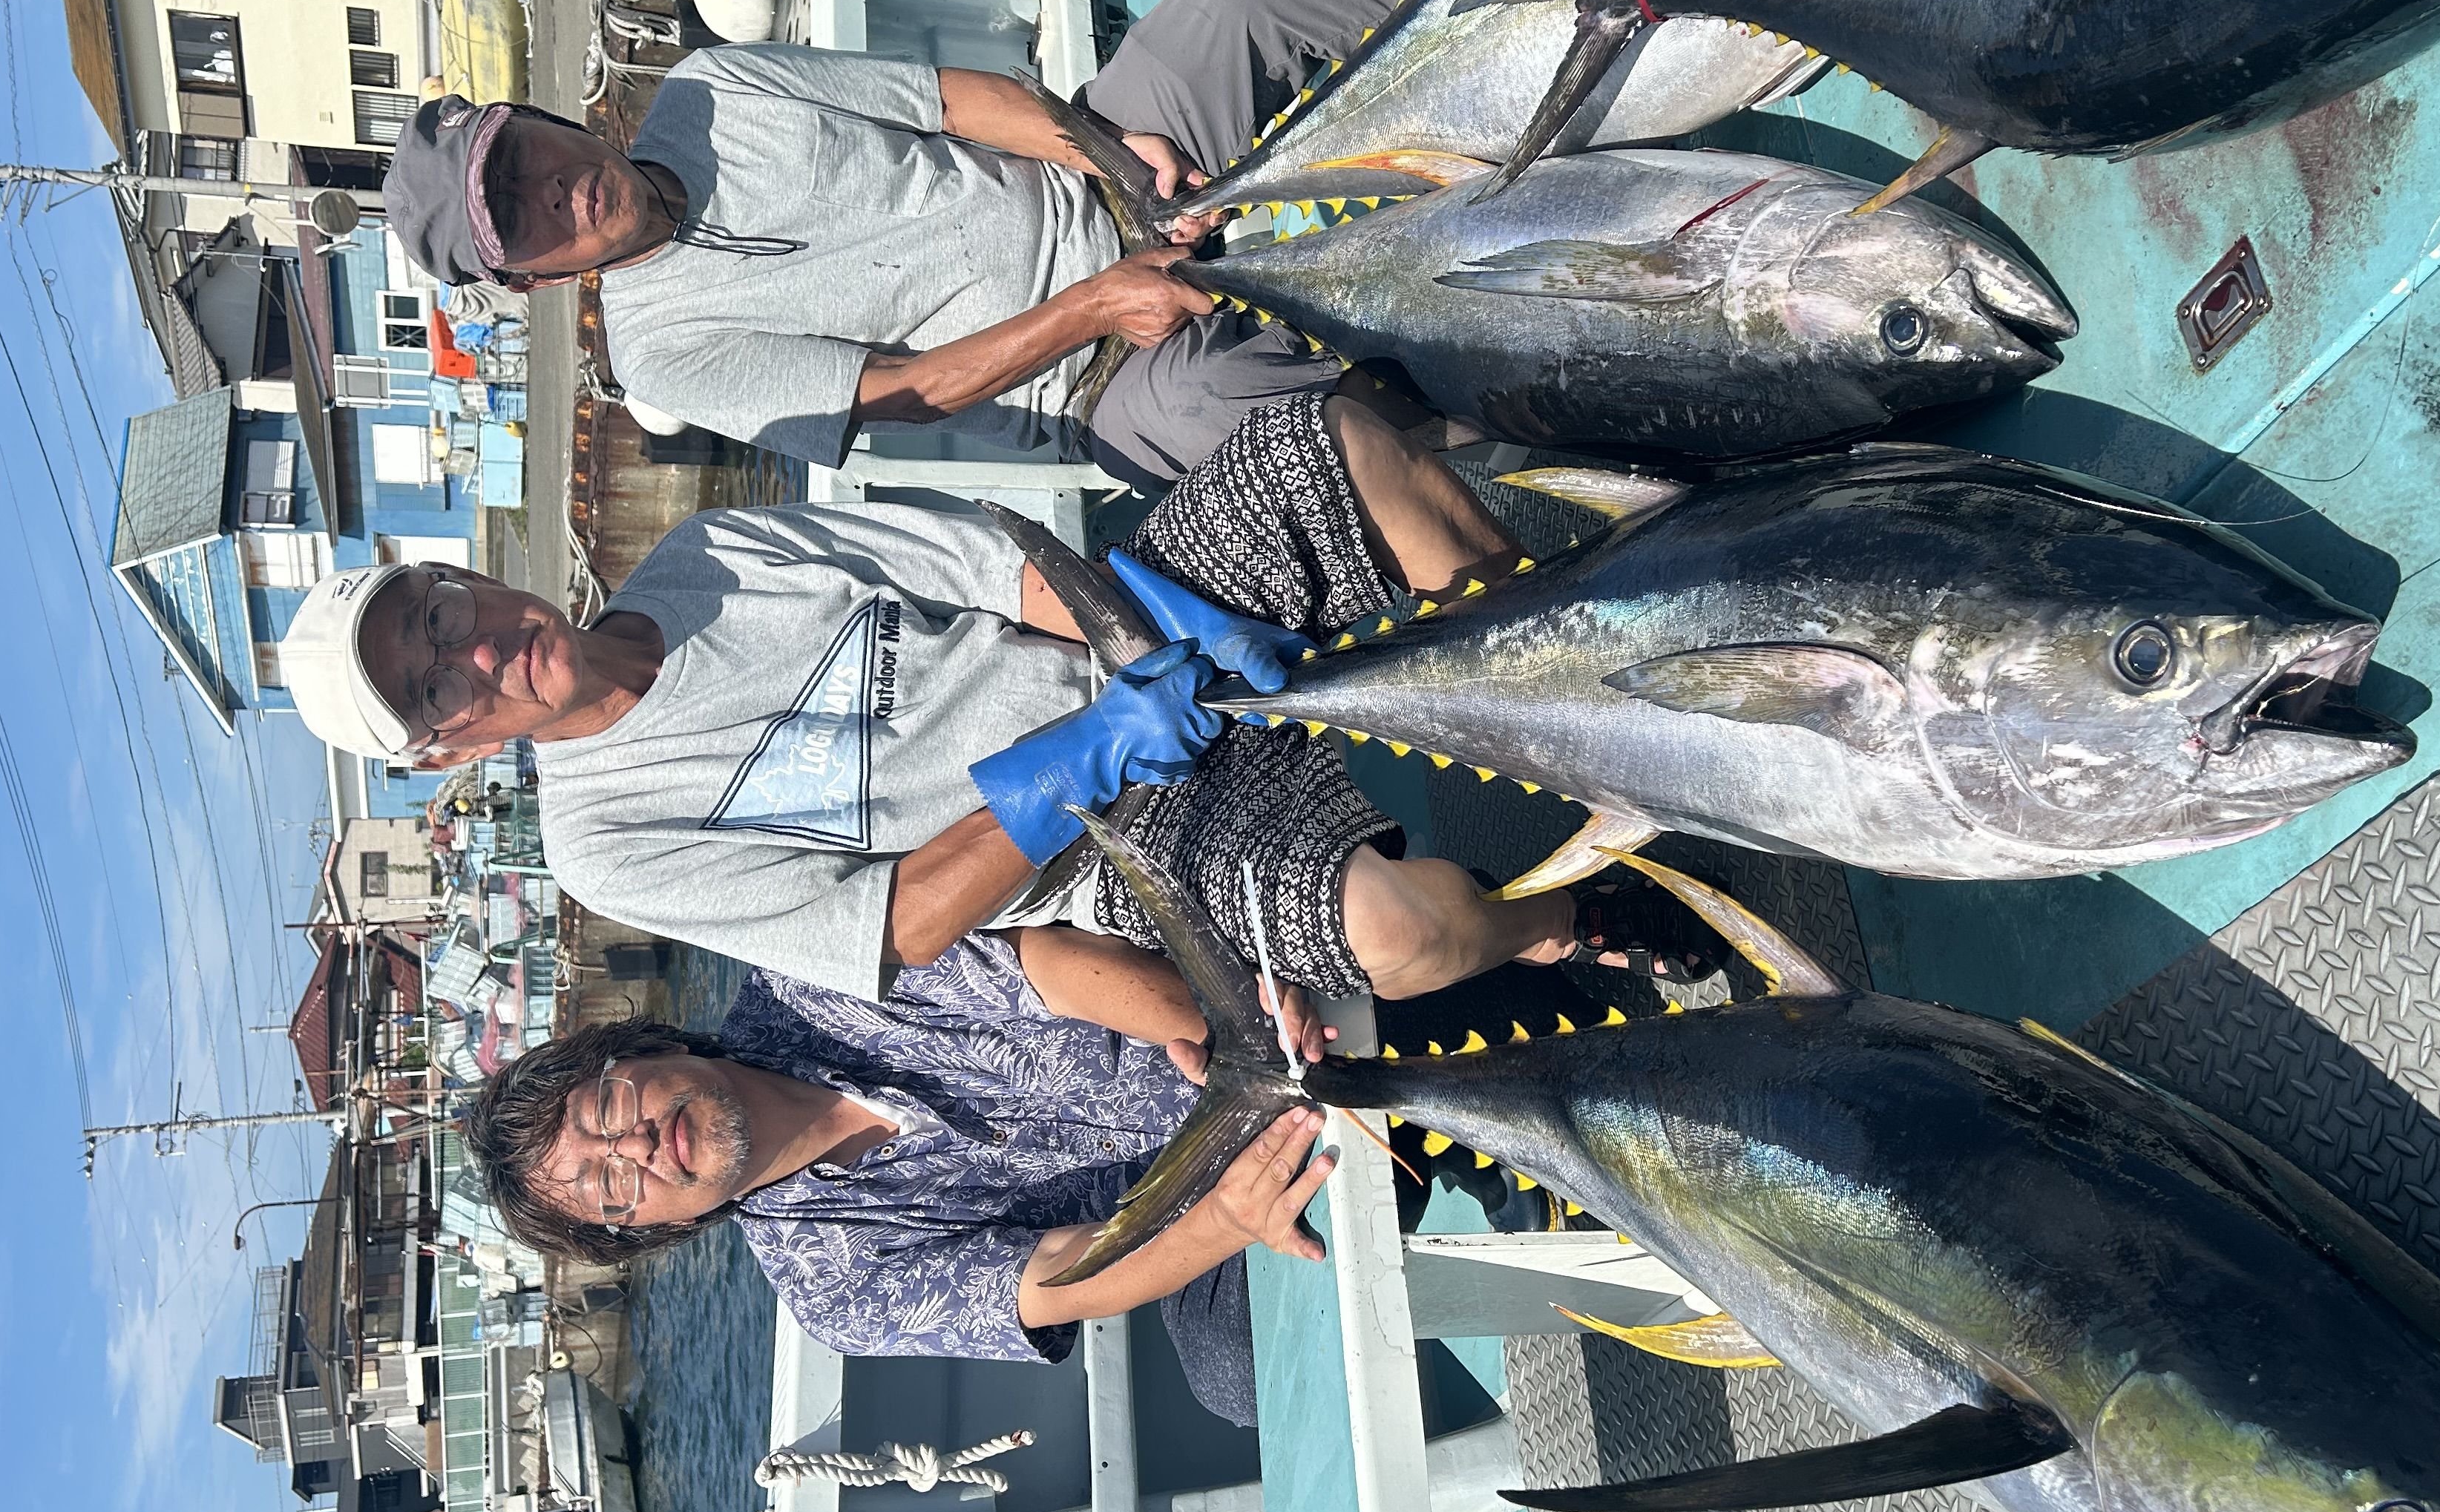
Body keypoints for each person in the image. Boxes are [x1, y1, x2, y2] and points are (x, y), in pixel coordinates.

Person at [279, 392, 1715, 1032]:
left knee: (1332, 441)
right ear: (446, 747)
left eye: (440, 609)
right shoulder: (606, 844)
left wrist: (1157, 637)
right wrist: (1077, 766)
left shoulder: (709, 553)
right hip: (1115, 835)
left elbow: (990, 566)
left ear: (463, 572)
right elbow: (894, 926)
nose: (477, 648)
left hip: (1124, 642)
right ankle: (1563, 916)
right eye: (435, 680)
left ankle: (1600, 672)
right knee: (1404, 933)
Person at [381, 0, 1423, 484]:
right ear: (531, 281)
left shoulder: (711, 87)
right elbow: (912, 392)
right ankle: (1488, 396)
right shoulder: (659, 353)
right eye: (516, 216)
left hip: (1095, 179)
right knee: (1243, 423)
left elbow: (954, 101)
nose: (554, 188)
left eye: (522, 154)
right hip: (1098, 375)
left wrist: (1113, 155)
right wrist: (1101, 304)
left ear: (541, 115)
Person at [461, 937, 1342, 1424]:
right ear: (651, 1229)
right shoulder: (830, 1290)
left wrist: (1227, 1037)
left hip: (1197, 1028)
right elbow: (1061, 1276)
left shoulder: (807, 971)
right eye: (611, 1187)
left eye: (607, 1109)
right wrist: (1230, 1217)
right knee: (1231, 1372)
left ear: (641, 1049)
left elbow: (1049, 967)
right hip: (1180, 1203)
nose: (638, 1146)